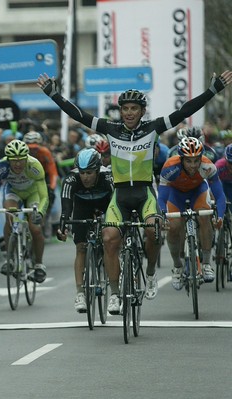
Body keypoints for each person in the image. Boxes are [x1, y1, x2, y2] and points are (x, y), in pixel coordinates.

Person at [38, 70, 232, 312]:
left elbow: (185, 111)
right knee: (109, 238)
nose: (129, 113)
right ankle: (115, 293)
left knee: (153, 232)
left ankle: (150, 273)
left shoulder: (153, 128)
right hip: (119, 195)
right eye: (125, 108)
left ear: (142, 111)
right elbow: (78, 114)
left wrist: (212, 90)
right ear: (121, 111)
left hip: (144, 194)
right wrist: (54, 95)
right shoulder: (110, 128)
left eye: (134, 108)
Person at [159, 137, 225, 288]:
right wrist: (163, 215)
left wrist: (220, 217)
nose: (193, 165)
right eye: (188, 161)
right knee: (174, 226)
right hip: (175, 195)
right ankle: (177, 266)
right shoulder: (170, 167)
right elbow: (162, 198)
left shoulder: (208, 166)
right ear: (181, 159)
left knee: (205, 217)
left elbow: (220, 195)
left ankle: (207, 263)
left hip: (198, 192)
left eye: (196, 160)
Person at [56, 149, 113, 312]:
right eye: (82, 173)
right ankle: (80, 293)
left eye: (89, 173)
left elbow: (116, 201)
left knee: (111, 242)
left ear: (97, 170)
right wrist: (63, 227)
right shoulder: (71, 179)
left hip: (105, 205)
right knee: (80, 247)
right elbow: (66, 208)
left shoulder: (107, 176)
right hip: (82, 208)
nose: (85, 177)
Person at [0, 139, 48, 282]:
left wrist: (40, 213)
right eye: (14, 160)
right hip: (13, 192)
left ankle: (39, 264)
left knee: (36, 229)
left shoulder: (34, 166)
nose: (18, 164)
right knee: (9, 217)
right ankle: (9, 259)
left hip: (33, 194)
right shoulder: (0, 167)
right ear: (8, 159)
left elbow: (44, 196)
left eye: (21, 160)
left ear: (26, 158)